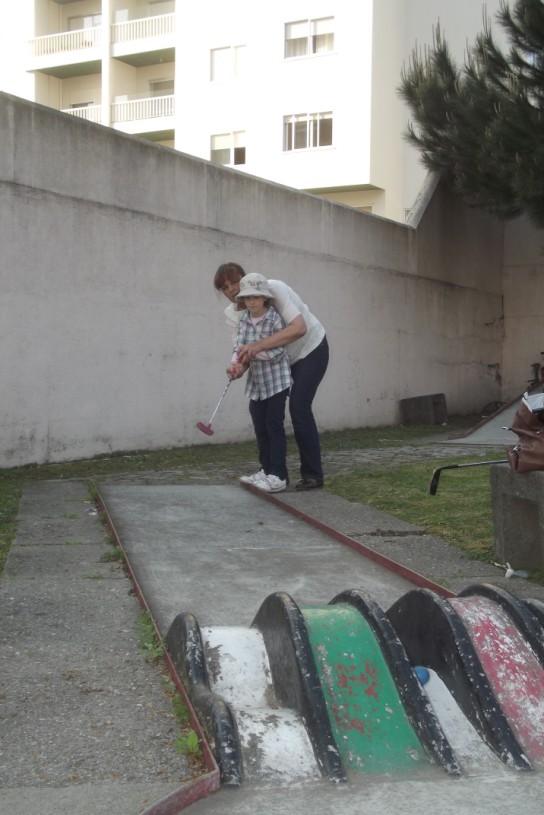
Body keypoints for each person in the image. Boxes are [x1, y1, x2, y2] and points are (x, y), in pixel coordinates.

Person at [214, 262, 329, 490]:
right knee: (260, 415)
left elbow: (298, 328)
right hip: (277, 364)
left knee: (299, 406)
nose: (232, 289)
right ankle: (268, 471)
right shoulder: (233, 314)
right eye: (225, 287)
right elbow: (243, 351)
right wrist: (238, 367)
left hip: (309, 350)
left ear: (246, 279)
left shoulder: (275, 289)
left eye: (235, 281)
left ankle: (312, 475)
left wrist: (255, 347)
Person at [227, 275, 292, 493]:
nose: (252, 302)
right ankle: (266, 471)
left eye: (256, 297)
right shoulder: (244, 320)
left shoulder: (274, 319)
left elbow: (278, 351)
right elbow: (240, 347)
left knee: (274, 427)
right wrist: (235, 365)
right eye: (247, 298)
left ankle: (279, 475)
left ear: (265, 298)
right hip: (257, 385)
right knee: (260, 427)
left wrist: (253, 352)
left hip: (277, 382)